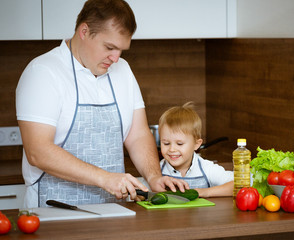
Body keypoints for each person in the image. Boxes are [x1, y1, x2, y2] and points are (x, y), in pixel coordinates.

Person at [15, 0, 188, 208]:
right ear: (84, 31)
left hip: (112, 211)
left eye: (121, 50)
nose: (115, 59)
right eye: (109, 47)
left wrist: (153, 177)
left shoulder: (122, 70)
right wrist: (105, 178)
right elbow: (38, 151)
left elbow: (138, 134)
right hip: (53, 212)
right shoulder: (43, 72)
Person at [158, 102, 233, 197]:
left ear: (196, 144)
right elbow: (142, 194)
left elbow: (240, 184)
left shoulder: (206, 168)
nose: (172, 149)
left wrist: (206, 192)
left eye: (179, 144)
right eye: (166, 143)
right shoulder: (157, 170)